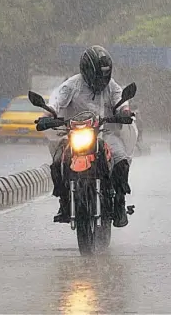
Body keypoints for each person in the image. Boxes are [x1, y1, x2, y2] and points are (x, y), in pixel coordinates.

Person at [46, 45, 133, 228]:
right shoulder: (72, 85)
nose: (101, 80)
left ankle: (119, 202)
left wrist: (125, 111)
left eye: (104, 76)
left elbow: (121, 102)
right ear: (87, 70)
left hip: (105, 133)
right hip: (74, 134)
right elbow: (56, 101)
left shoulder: (112, 87)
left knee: (121, 161)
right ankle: (63, 201)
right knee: (57, 163)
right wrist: (49, 115)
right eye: (98, 75)